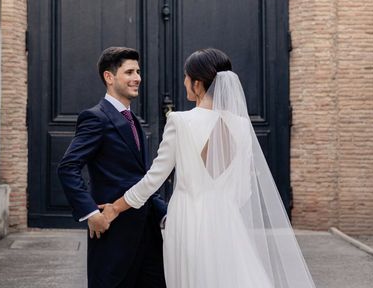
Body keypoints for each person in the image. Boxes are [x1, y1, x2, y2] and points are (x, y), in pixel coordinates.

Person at [100, 48, 317, 288]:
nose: (184, 82)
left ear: (198, 83)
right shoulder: (242, 126)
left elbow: (153, 180)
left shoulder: (180, 122)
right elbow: (244, 192)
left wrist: (115, 208)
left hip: (188, 220)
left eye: (186, 77)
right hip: (227, 220)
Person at [57, 47, 167, 288]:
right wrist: (90, 213)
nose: (137, 77)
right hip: (113, 232)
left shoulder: (133, 120)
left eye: (138, 71)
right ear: (109, 77)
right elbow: (68, 167)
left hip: (147, 232)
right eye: (129, 72)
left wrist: (164, 212)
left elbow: (143, 176)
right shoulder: (95, 117)